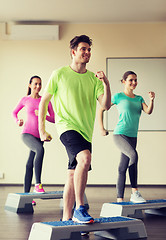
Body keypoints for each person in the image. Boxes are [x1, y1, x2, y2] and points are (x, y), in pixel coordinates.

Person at [38, 35, 111, 223]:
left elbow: (106, 105)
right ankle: (80, 208)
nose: (87, 53)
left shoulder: (93, 79)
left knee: (73, 173)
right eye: (83, 49)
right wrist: (42, 130)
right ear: (73, 52)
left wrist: (106, 84)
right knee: (85, 158)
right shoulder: (59, 74)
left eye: (89, 50)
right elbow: (44, 101)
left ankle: (66, 218)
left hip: (85, 131)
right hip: (67, 127)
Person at [99, 71, 155, 203]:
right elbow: (102, 108)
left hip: (132, 136)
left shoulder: (139, 98)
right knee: (134, 156)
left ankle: (120, 200)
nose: (134, 83)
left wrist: (152, 100)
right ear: (124, 81)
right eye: (131, 80)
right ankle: (135, 192)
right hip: (120, 134)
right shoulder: (118, 96)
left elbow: (148, 111)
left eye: (135, 80)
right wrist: (101, 128)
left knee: (122, 167)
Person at [12, 76, 55, 200]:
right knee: (40, 151)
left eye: (40, 84)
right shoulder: (25, 100)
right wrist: (17, 121)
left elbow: (54, 118)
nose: (38, 86)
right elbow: (14, 112)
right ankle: (38, 184)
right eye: (35, 84)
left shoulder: (45, 100)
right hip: (27, 133)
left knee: (29, 164)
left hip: (40, 137)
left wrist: (43, 115)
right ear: (30, 85)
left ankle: (26, 198)